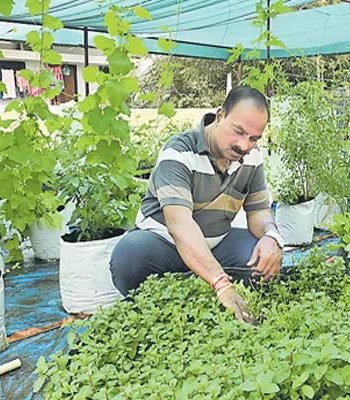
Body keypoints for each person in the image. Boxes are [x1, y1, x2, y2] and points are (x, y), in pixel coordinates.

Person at [110, 86, 284, 324]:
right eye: (239, 132)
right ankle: (170, 304)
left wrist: (271, 235)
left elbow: (259, 211)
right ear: (220, 115)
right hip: (165, 244)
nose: (244, 145)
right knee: (129, 258)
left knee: (265, 261)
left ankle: (206, 284)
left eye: (254, 138)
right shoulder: (179, 152)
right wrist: (222, 284)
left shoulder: (251, 157)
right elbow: (179, 224)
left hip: (216, 242)